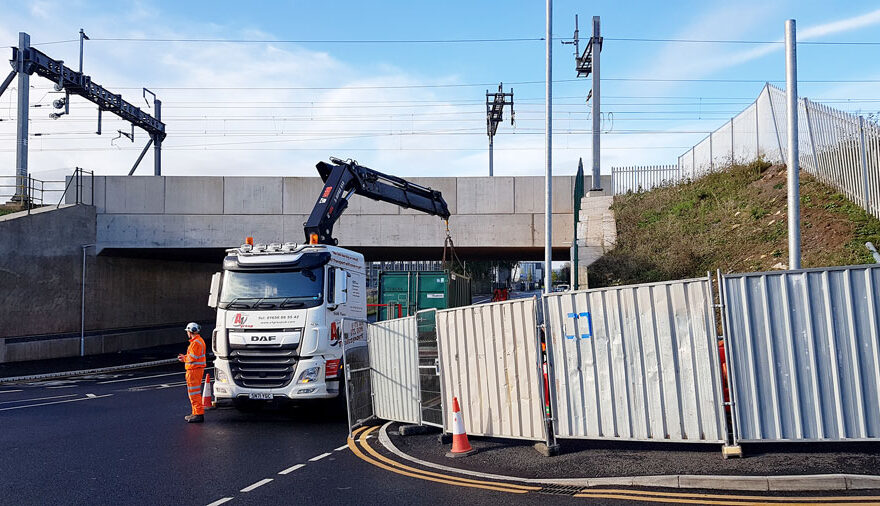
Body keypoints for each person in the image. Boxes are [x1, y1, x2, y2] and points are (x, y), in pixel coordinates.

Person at [178, 322, 206, 423]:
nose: (187, 333)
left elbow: (193, 358)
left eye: (188, 331)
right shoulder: (197, 341)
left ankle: (198, 414)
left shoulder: (196, 343)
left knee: (194, 393)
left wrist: (184, 358)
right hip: (195, 369)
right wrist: (185, 357)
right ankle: (195, 412)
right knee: (194, 393)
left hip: (194, 370)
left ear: (191, 332)